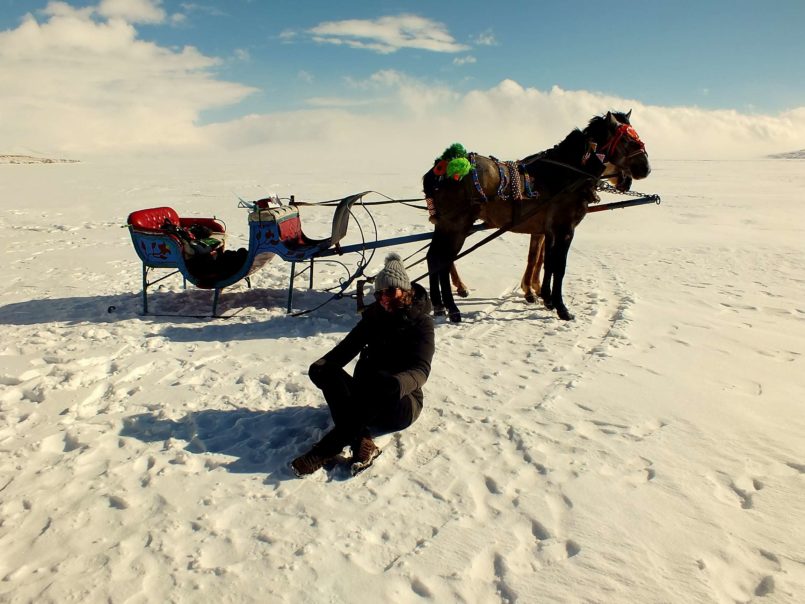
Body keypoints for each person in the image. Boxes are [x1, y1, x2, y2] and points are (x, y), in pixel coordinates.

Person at [291, 253, 435, 477]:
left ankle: (325, 450)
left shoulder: (422, 322)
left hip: (400, 401)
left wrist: (397, 383)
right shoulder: (374, 317)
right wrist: (322, 365)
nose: (383, 298)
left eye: (389, 291)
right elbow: (346, 349)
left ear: (404, 290)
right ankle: (362, 441)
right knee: (326, 371)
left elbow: (421, 370)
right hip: (366, 393)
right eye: (379, 293)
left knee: (382, 385)